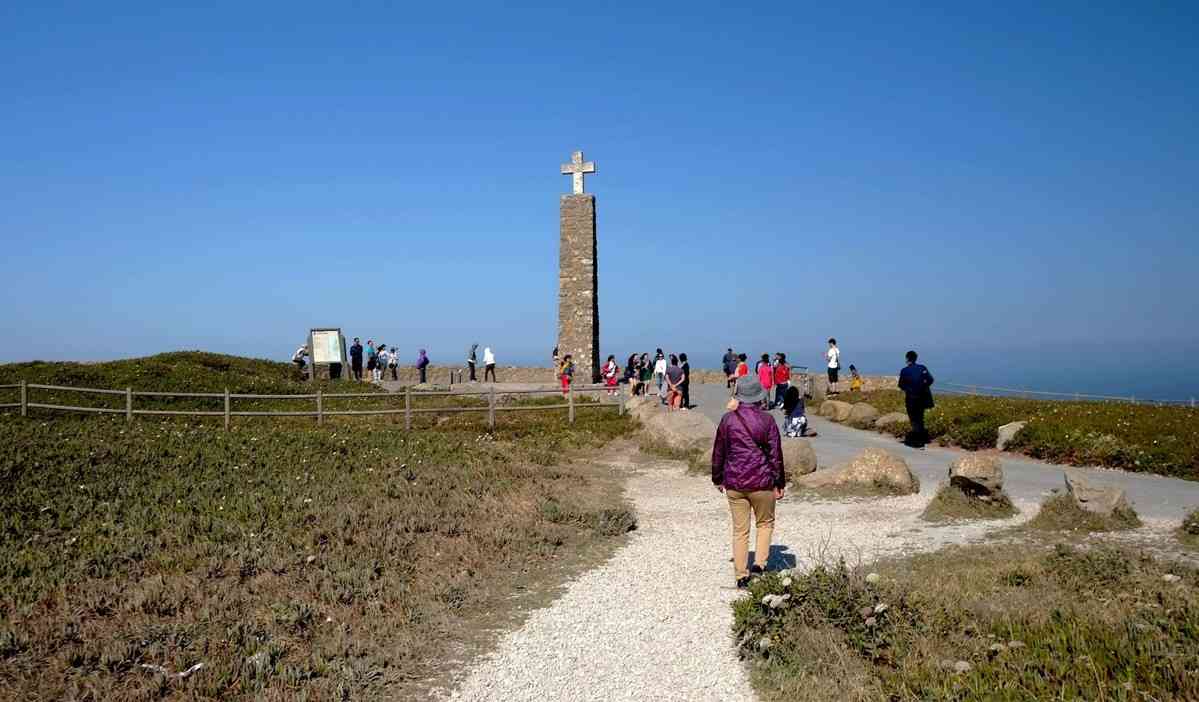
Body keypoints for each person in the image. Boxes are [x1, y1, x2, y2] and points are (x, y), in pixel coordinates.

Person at [711, 376, 786, 588]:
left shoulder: (728, 420)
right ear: (758, 396)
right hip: (762, 482)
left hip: (734, 482)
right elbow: (775, 455)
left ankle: (741, 576)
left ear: (739, 395)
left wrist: (717, 478)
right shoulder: (767, 420)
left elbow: (719, 452)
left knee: (740, 530)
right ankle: (759, 567)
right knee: (765, 524)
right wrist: (779, 483)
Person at [898, 350, 935, 448]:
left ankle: (917, 441)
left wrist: (909, 389)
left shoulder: (904, 371)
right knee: (920, 417)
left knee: (913, 418)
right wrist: (923, 387)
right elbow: (930, 380)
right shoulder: (922, 368)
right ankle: (922, 438)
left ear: (907, 359)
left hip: (911, 398)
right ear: (915, 358)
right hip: (922, 397)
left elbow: (901, 385)